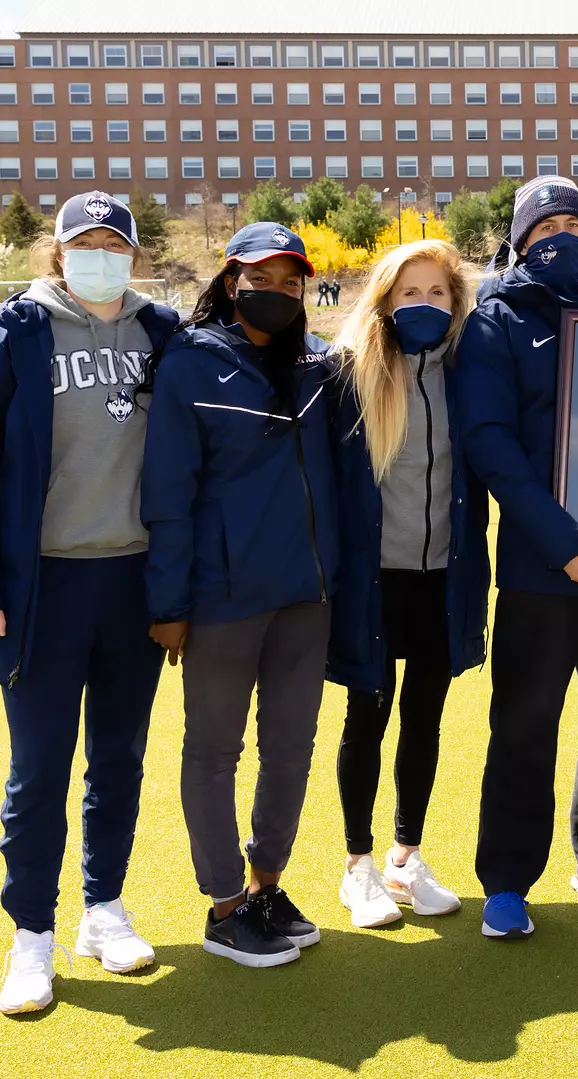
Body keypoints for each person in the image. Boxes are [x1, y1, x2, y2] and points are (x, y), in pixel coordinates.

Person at [0, 191, 180, 1015]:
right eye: (85, 243)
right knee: (39, 767)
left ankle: (103, 910)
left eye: (115, 244)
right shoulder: (13, 334)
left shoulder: (162, 333)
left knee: (119, 759)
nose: (99, 256)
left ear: (133, 255)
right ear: (59, 251)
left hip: (134, 583)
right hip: (43, 586)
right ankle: (31, 935)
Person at [141, 223, 347, 968]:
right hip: (223, 598)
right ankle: (225, 905)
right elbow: (168, 494)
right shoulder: (189, 364)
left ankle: (266, 887)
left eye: (292, 282)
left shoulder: (318, 367)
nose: (278, 292)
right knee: (214, 751)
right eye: (262, 278)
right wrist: (169, 607)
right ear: (231, 282)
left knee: (290, 749)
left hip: (306, 597)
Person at [457, 175, 578, 938]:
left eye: (573, 225)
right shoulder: (495, 319)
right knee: (524, 725)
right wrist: (565, 545)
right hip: (543, 566)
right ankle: (507, 880)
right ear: (519, 240)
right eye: (544, 228)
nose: (560, 238)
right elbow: (491, 445)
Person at [325, 238, 490, 928]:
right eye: (409, 293)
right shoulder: (347, 372)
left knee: (425, 718)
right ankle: (358, 867)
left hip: (444, 578)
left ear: (456, 303)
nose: (424, 304)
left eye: (437, 293)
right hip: (373, 581)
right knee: (368, 715)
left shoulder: (470, 371)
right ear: (385, 302)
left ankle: (404, 858)